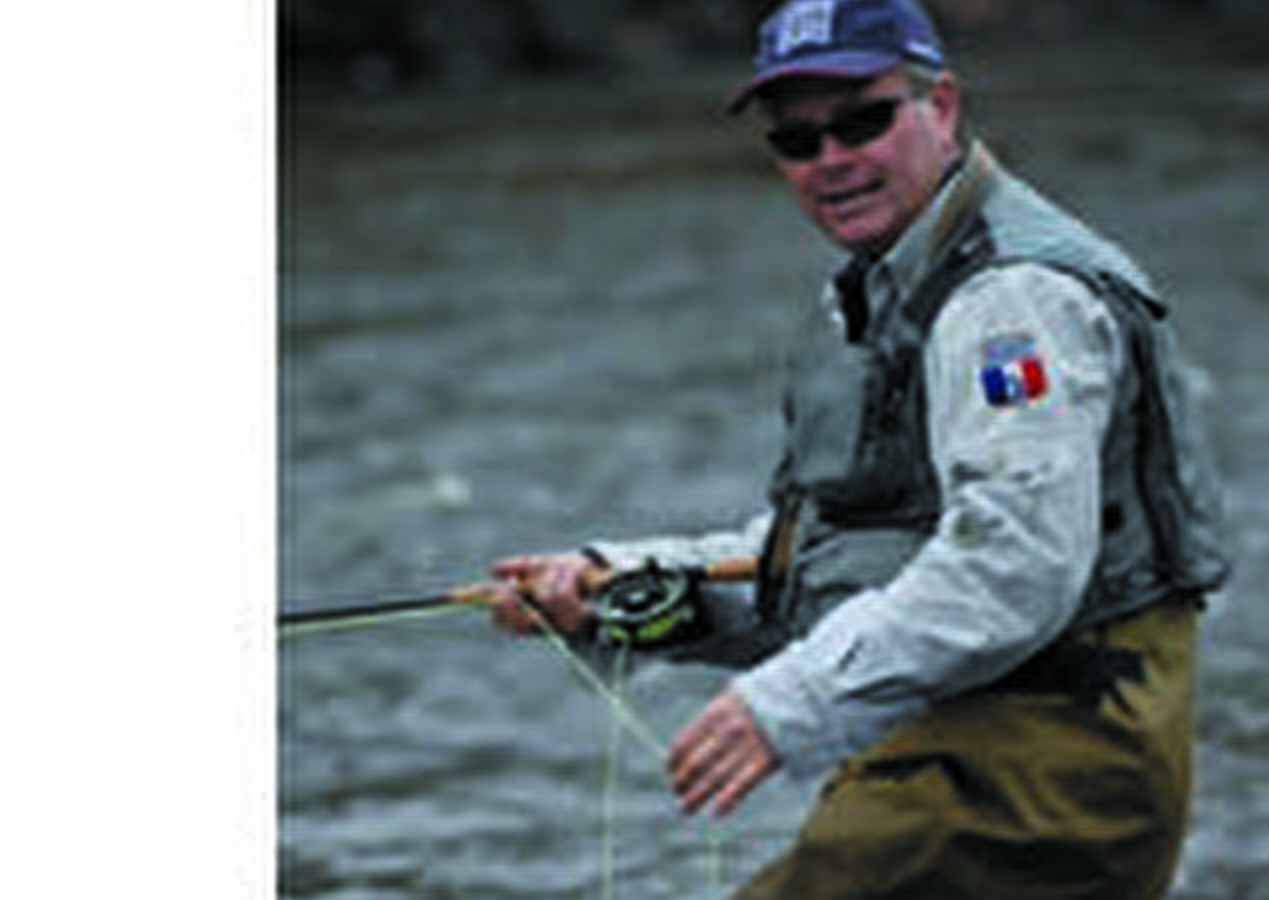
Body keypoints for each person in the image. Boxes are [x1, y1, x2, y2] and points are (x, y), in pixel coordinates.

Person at [486, 1, 1230, 897]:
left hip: (1053, 770)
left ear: (942, 106)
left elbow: (1015, 563)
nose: (831, 159)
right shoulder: (890, 291)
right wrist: (616, 586)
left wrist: (784, 706)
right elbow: (835, 564)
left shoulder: (1013, 306)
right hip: (955, 753)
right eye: (797, 141)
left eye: (862, 120)